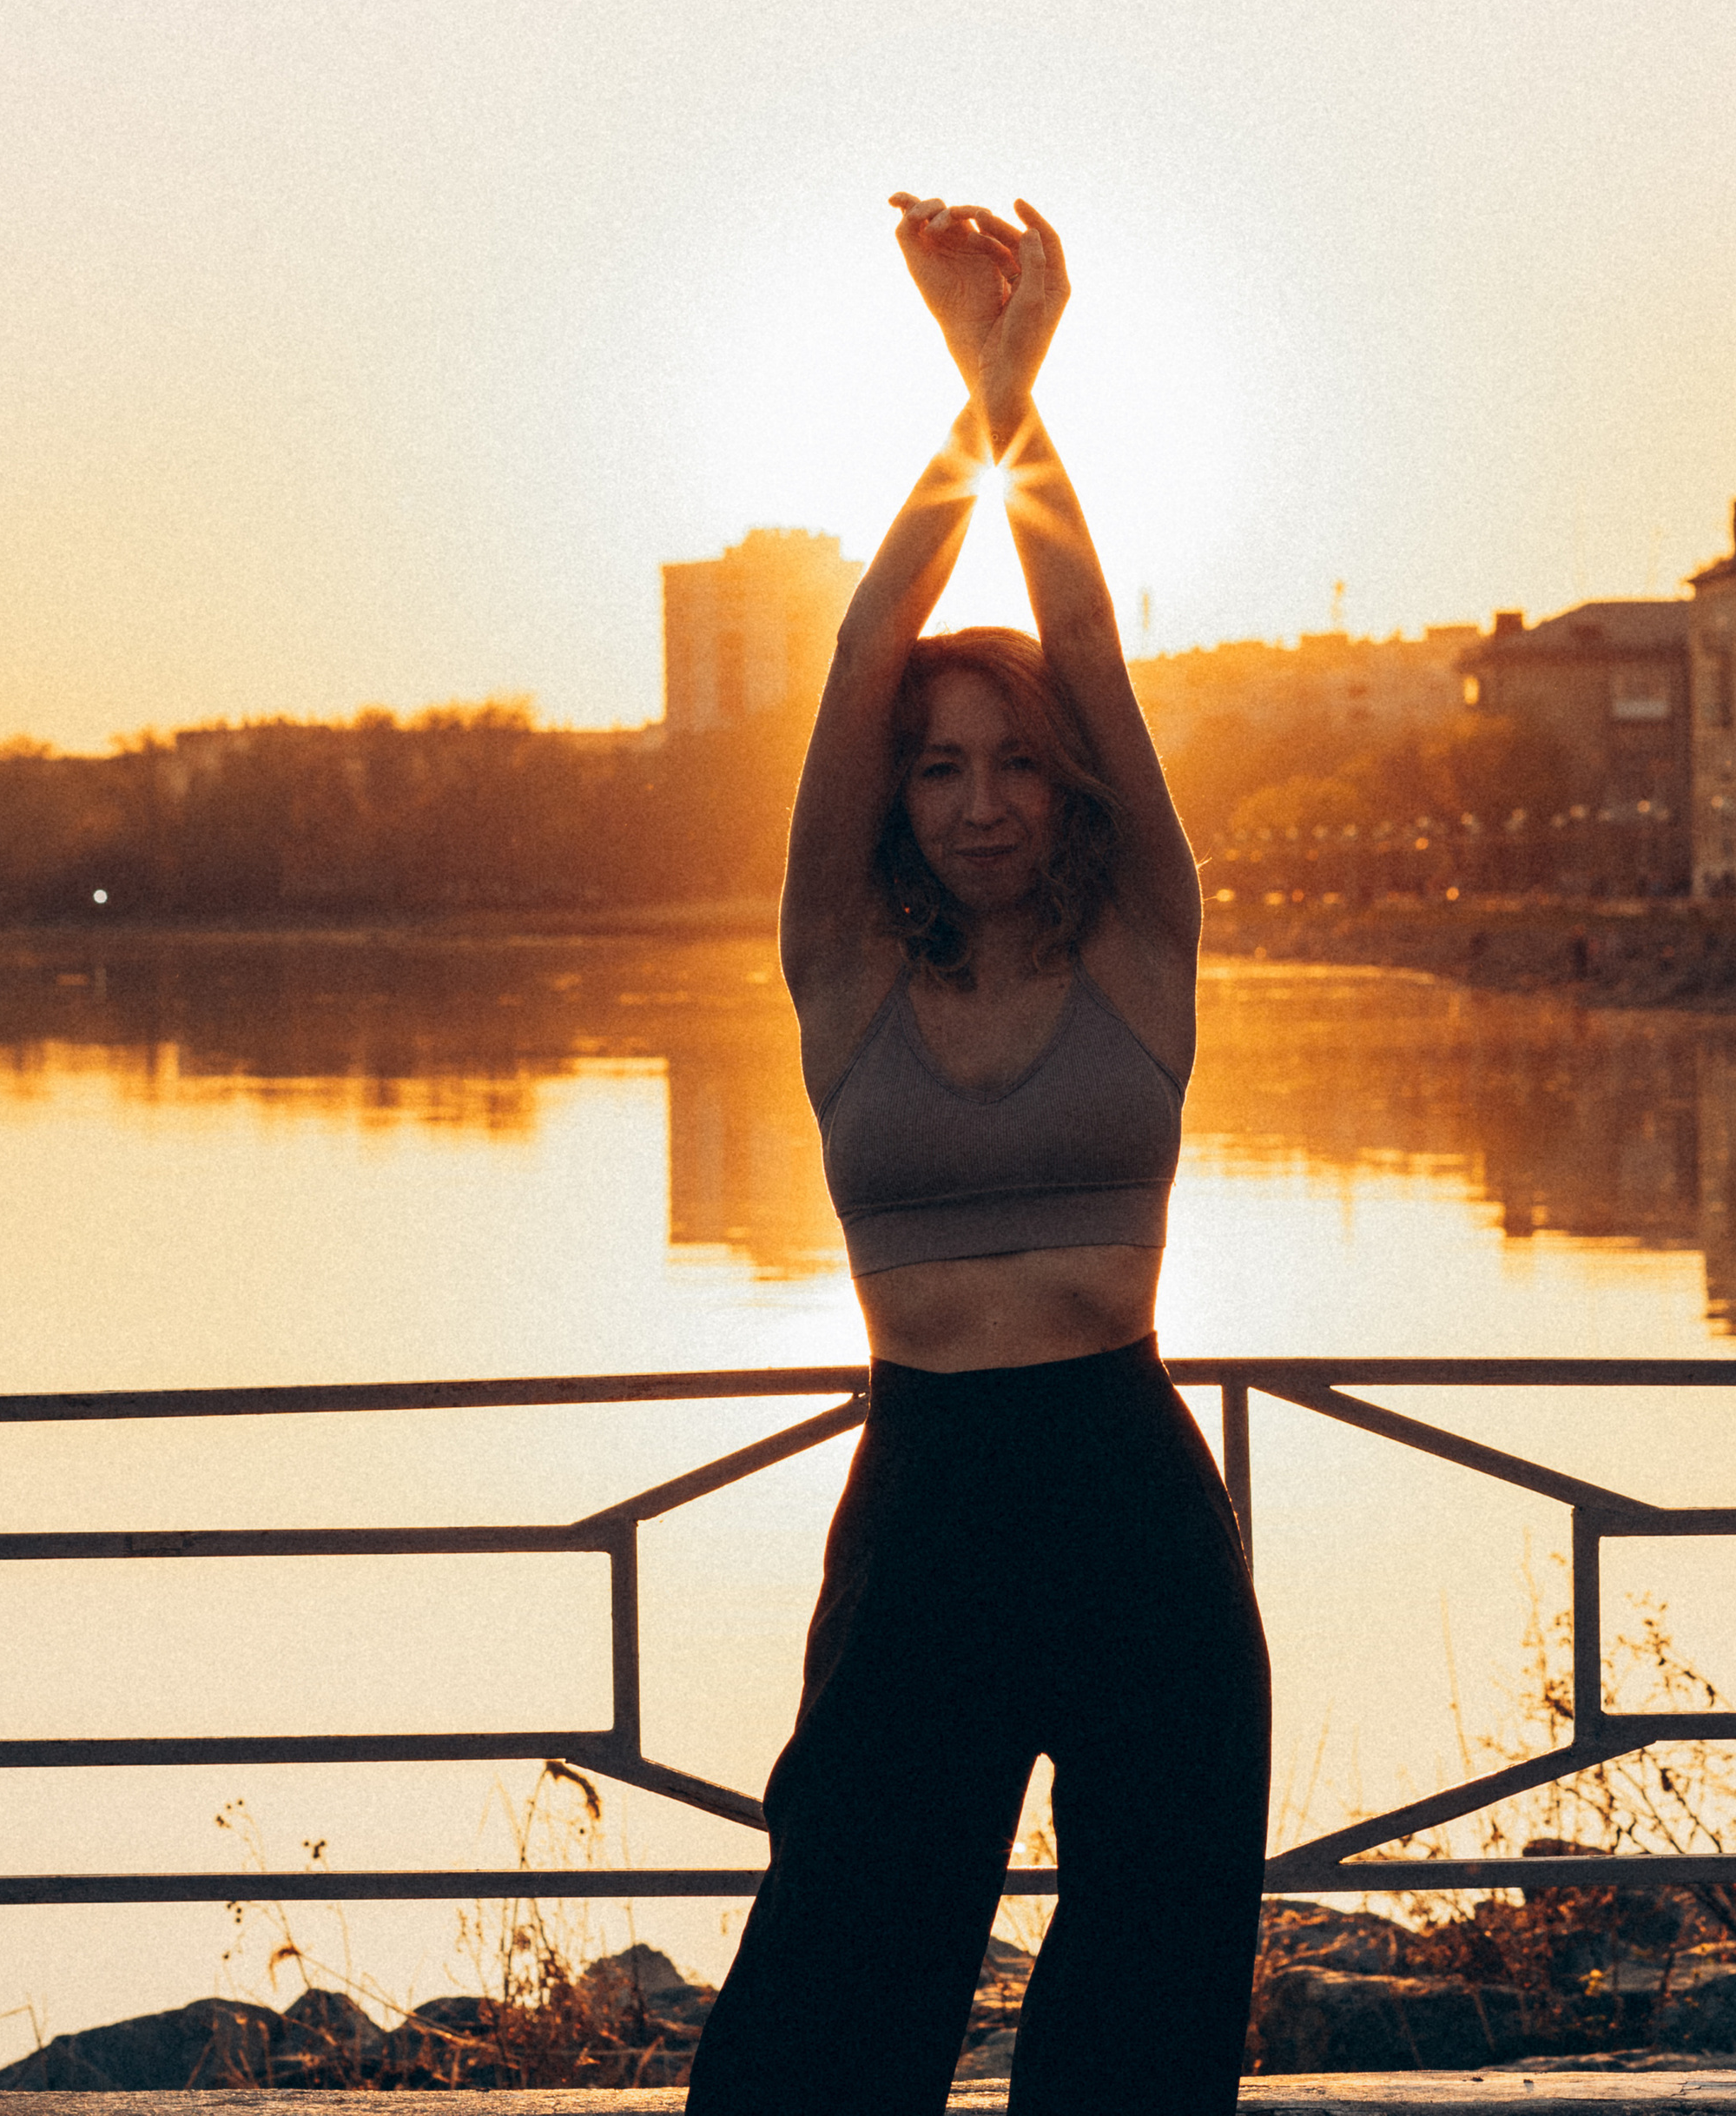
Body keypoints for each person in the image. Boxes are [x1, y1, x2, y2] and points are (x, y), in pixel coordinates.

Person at [684, 193, 1270, 2116]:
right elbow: (861, 651)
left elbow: (1085, 633)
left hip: (1124, 1493)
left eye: (1013, 761)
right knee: (830, 2001)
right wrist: (972, 397)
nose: (976, 798)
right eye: (937, 765)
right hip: (926, 1498)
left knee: (1142, 1999)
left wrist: (1031, 390)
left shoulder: (1140, 951)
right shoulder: (839, 969)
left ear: (1066, 783)